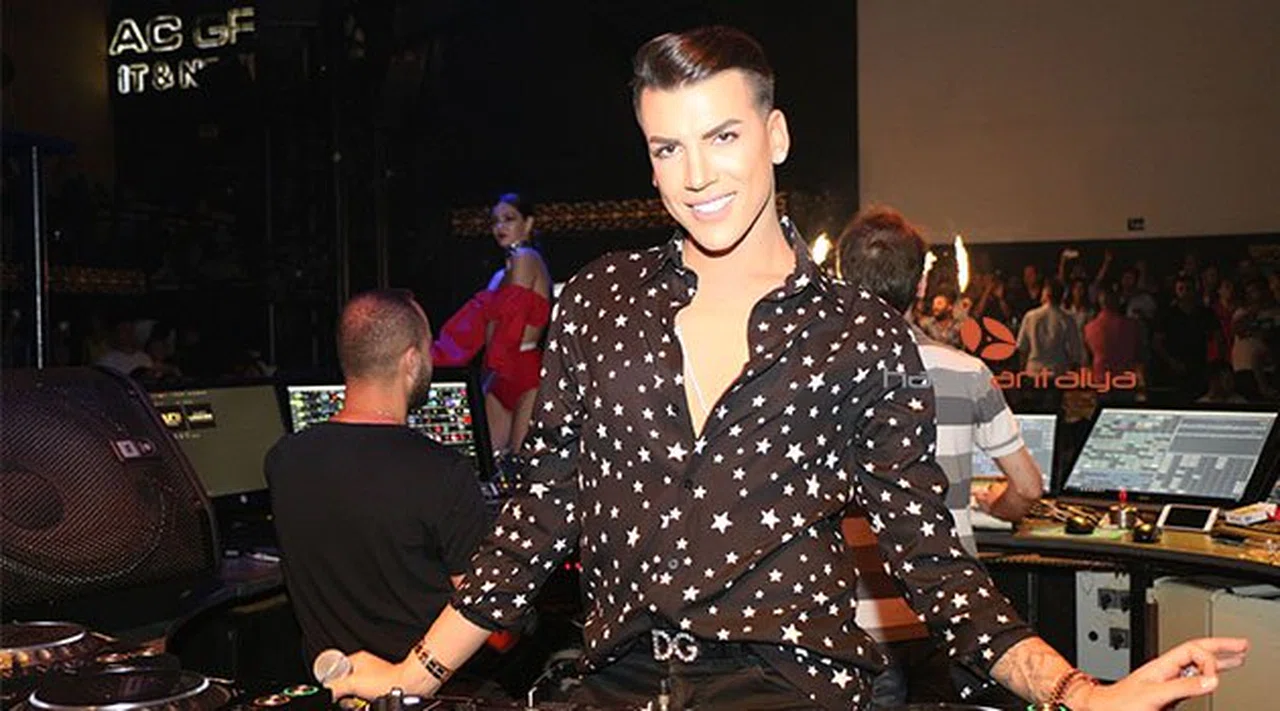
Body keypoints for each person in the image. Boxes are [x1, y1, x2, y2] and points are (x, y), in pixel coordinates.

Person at [327, 26, 1247, 710]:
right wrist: (414, 672)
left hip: (789, 684)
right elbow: (538, 516)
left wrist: (1078, 691)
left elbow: (931, 559)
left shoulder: (859, 335)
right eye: (668, 148)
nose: (696, 175)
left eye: (722, 137)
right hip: (617, 682)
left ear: (775, 136)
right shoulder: (601, 302)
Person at [836, 206, 1046, 706]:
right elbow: (1028, 489)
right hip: (951, 611)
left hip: (855, 619)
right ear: (922, 284)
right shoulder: (967, 372)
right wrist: (996, 506)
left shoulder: (821, 377)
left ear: (842, 278)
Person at [266, 289, 489, 665]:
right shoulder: (444, 473)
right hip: (431, 686)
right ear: (412, 360)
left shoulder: (283, 460)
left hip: (334, 684)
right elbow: (485, 620)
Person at [431, 193, 553, 458]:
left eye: (509, 219)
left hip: (523, 373)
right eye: (495, 221)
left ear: (528, 223)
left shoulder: (526, 257)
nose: (500, 227)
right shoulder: (499, 275)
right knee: (490, 464)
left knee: (521, 463)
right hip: (498, 373)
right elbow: (479, 329)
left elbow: (511, 322)